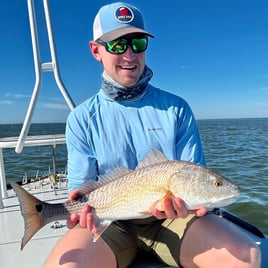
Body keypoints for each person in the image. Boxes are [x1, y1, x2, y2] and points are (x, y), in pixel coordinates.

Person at [45, 2, 261, 268]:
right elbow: (82, 188)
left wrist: (191, 206)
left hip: (173, 220)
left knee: (247, 257)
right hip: (110, 221)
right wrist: (77, 204)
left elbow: (194, 176)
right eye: (116, 45)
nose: (129, 55)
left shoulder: (176, 108)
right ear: (95, 50)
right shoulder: (81, 118)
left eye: (137, 43)